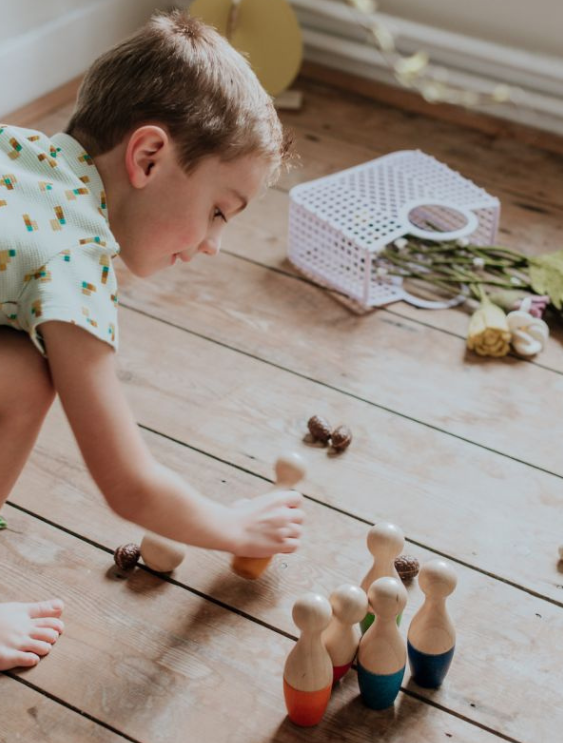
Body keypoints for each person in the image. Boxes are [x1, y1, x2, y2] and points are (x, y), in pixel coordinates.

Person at [0, 10, 304, 671]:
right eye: (218, 210)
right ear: (147, 157)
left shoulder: (18, 154)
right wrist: (235, 527)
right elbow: (126, 485)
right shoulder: (71, 255)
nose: (213, 244)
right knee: (25, 375)